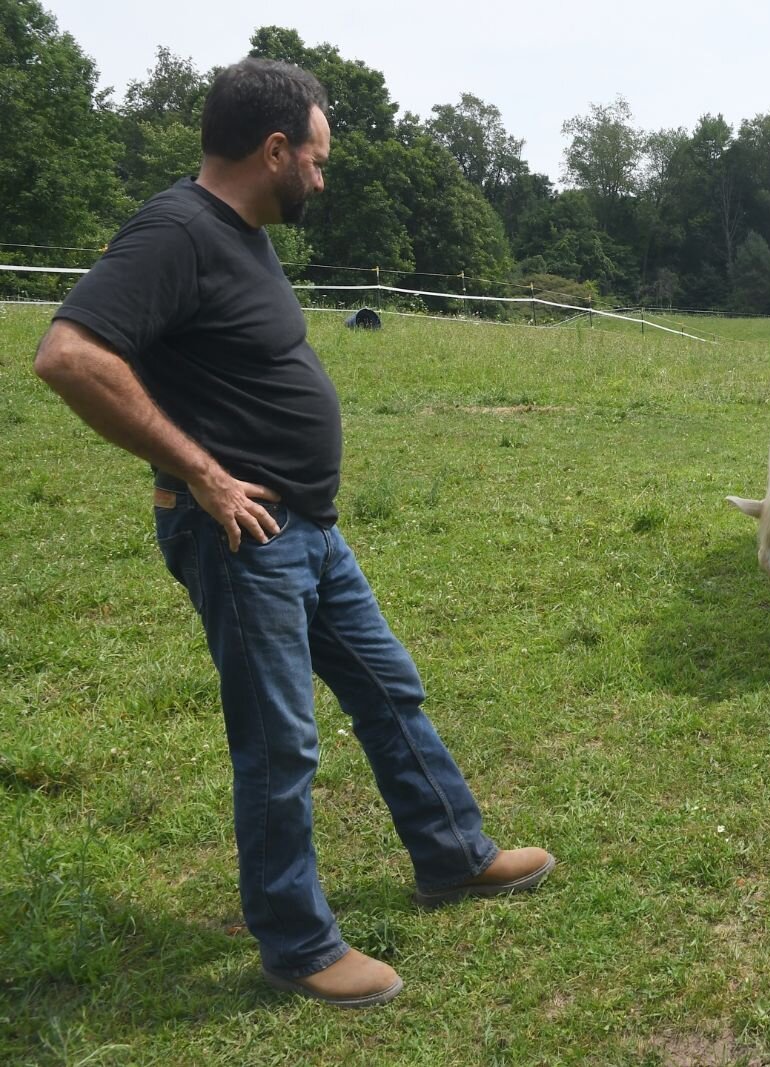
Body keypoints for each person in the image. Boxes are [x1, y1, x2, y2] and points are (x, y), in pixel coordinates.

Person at [33, 57, 553, 1008]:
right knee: (280, 742)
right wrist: (199, 473)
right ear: (274, 149)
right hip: (243, 536)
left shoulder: (241, 235)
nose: (323, 175)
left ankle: (452, 854)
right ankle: (297, 942)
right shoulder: (175, 231)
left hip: (306, 530)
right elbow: (69, 355)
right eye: (316, 158)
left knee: (388, 689)